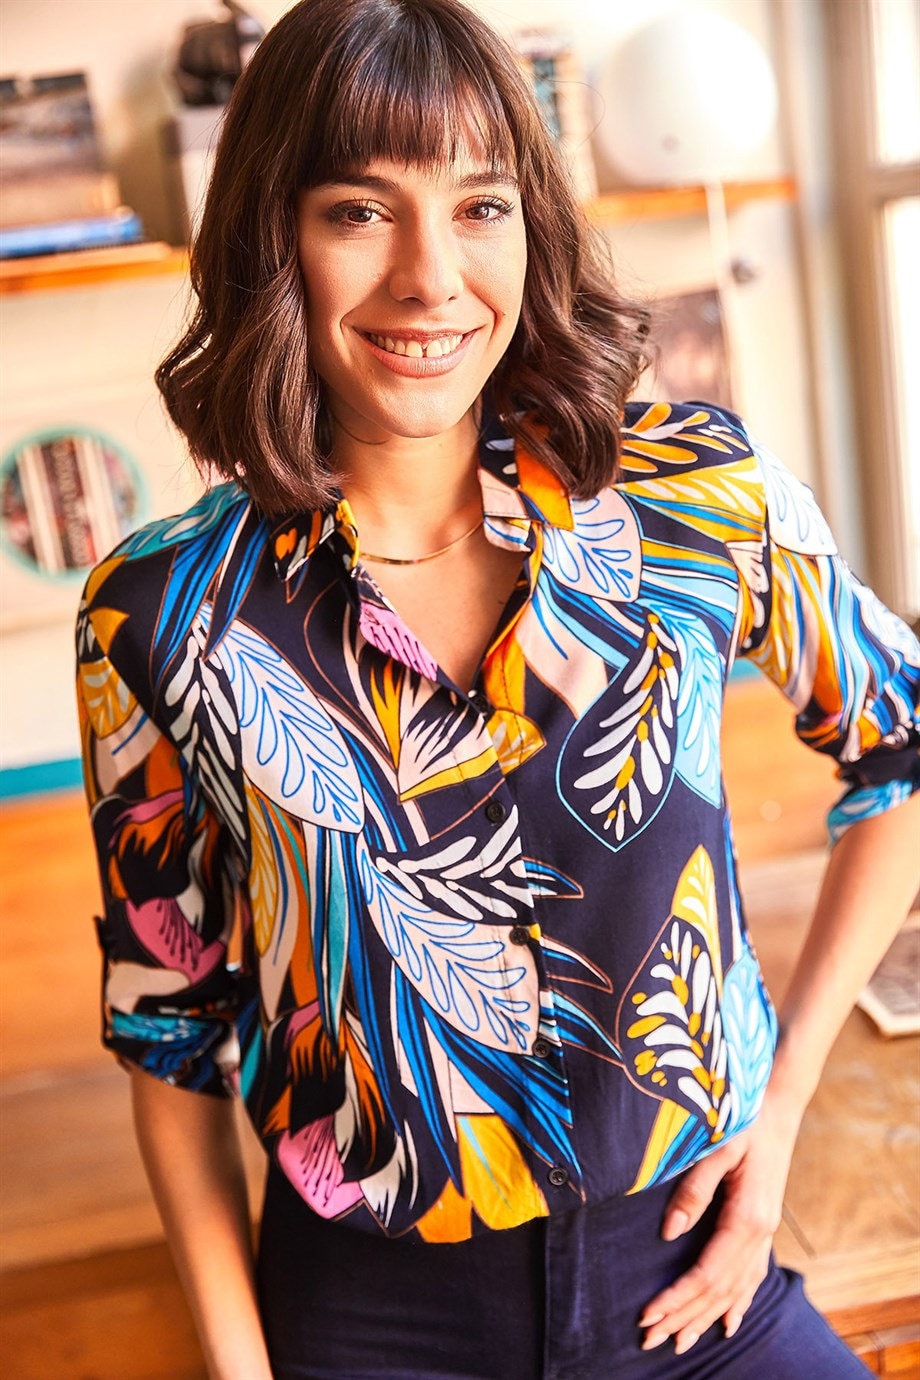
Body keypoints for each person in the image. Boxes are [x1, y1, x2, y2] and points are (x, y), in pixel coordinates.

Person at [75, 1, 920, 1376]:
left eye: (480, 207)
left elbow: (905, 749)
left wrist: (780, 1110)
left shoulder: (695, 496)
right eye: (359, 211)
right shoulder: (164, 611)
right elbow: (168, 1033)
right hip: (368, 1313)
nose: (431, 277)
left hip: (691, 1270)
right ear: (271, 240)